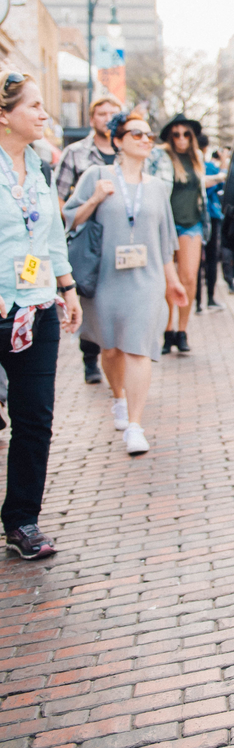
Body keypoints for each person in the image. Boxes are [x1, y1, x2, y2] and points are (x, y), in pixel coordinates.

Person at [64, 112, 188, 454]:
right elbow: (68, 219)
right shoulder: (96, 176)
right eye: (136, 134)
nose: (145, 140)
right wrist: (94, 199)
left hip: (146, 281)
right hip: (106, 278)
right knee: (111, 348)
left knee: (138, 348)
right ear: (118, 141)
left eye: (148, 135)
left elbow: (166, 240)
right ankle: (117, 397)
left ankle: (135, 424)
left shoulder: (158, 188)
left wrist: (172, 281)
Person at [0, 71, 82, 557]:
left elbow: (50, 238)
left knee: (34, 418)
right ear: (4, 116)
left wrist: (66, 288)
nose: (44, 114)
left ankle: (22, 521)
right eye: (33, 106)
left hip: (36, 307)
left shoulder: (43, 168)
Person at [55, 91, 122, 384]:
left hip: (121, 238)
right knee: (91, 298)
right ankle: (90, 359)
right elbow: (59, 199)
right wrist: (76, 221)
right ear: (92, 118)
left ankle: (117, 357)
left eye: (112, 114)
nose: (107, 119)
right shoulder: (76, 153)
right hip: (88, 238)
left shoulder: (127, 151)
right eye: (101, 114)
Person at [154, 117, 210, 354]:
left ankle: (182, 330)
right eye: (176, 134)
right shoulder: (161, 157)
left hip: (192, 224)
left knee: (189, 278)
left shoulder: (197, 159)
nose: (181, 139)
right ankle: (168, 330)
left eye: (186, 134)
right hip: (167, 223)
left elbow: (201, 190)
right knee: (169, 280)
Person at [195, 137, 226, 314]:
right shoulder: (209, 168)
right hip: (208, 216)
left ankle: (200, 301)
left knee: (199, 261)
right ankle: (209, 298)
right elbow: (219, 183)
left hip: (201, 217)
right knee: (211, 258)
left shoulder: (197, 167)